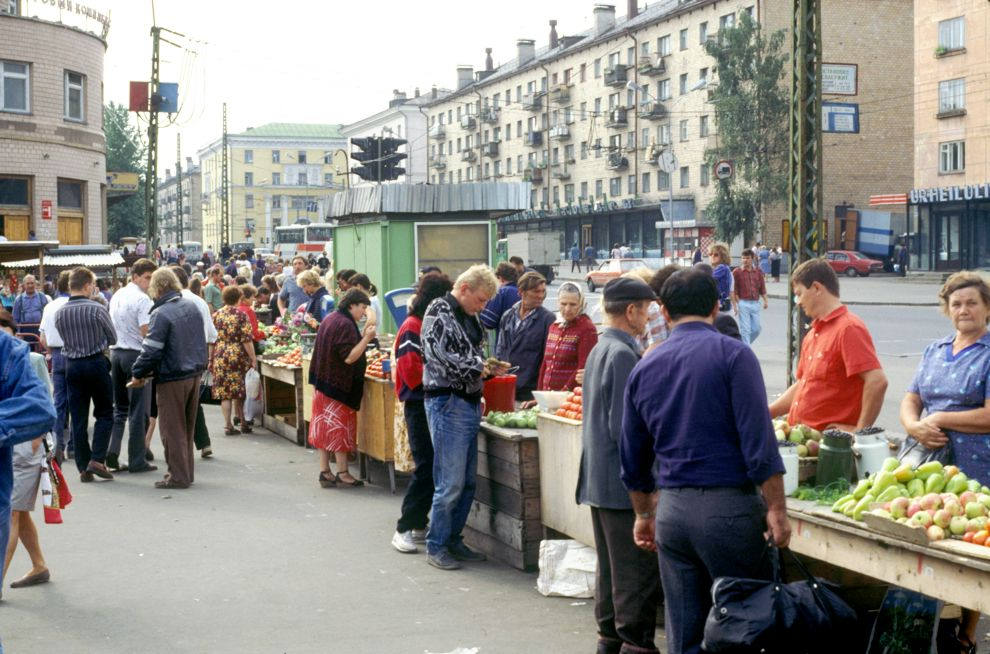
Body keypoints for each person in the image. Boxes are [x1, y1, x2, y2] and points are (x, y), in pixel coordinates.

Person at [620, 269, 791, 654]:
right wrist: (777, 509)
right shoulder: (735, 355)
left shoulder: (645, 365)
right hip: (729, 512)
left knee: (684, 631)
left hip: (673, 513)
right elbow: (760, 443)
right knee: (744, 626)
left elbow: (632, 456)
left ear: (663, 312)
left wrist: (643, 514)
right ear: (717, 306)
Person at [900, 271, 990, 653]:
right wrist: (912, 424)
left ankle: (964, 634)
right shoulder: (934, 350)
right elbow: (912, 397)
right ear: (946, 310)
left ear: (987, 308)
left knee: (968, 550)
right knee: (924, 539)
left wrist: (939, 419)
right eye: (956, 304)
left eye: (972, 302)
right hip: (927, 466)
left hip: (974, 468)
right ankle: (917, 626)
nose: (964, 310)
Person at [576, 277, 662, 654]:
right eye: (645, 310)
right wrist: (647, 488)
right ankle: (634, 644)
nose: (648, 318)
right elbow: (625, 431)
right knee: (633, 574)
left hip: (599, 480)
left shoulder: (600, 348)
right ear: (631, 311)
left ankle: (610, 640)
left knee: (611, 571)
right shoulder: (624, 354)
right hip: (620, 484)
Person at [421, 264, 507, 570]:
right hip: (448, 402)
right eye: (481, 300)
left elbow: (470, 355)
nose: (482, 307)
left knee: (467, 482)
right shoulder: (439, 310)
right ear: (465, 288)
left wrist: (487, 366)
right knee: (450, 482)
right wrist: (478, 367)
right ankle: (437, 544)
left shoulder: (467, 315)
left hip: (467, 402)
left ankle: (453, 539)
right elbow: (440, 356)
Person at [769, 258, 888, 432]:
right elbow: (803, 384)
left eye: (799, 293)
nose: (798, 301)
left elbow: (877, 381)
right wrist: (768, 412)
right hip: (805, 439)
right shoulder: (813, 333)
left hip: (830, 447)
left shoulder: (848, 328)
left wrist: (860, 432)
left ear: (817, 288)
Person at [391, 273, 454, 553]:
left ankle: (418, 523)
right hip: (419, 402)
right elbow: (410, 368)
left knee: (431, 466)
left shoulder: (421, 324)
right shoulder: (412, 327)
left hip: (428, 399)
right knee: (426, 466)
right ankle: (404, 527)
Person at [130, 268, 207, 489]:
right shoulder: (191, 306)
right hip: (193, 373)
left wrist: (137, 372)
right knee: (187, 427)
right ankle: (186, 473)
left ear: (158, 287)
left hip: (172, 376)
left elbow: (151, 350)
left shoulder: (161, 313)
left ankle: (178, 477)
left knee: (172, 430)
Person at [0, 316, 56, 594]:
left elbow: (43, 404)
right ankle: (39, 564)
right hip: (15, 447)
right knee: (18, 515)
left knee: (13, 514)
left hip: (25, 450)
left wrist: (36, 440)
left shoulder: (22, 357)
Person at [308, 289, 376, 488]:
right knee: (339, 429)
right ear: (352, 305)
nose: (364, 312)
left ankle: (325, 471)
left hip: (323, 384)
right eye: (362, 307)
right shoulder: (345, 324)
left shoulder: (330, 319)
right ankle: (343, 472)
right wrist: (366, 339)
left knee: (323, 429)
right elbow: (349, 357)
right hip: (337, 387)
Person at [55, 267, 117, 482]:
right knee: (105, 412)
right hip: (96, 362)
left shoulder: (60, 312)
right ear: (88, 285)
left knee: (78, 417)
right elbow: (113, 337)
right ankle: (97, 459)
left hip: (71, 365)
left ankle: (83, 466)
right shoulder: (96, 309)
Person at [106, 258, 158, 473]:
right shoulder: (142, 299)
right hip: (135, 355)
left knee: (120, 409)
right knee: (138, 411)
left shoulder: (118, 294)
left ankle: (112, 453)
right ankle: (137, 460)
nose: (149, 282)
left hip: (116, 353)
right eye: (147, 278)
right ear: (136, 276)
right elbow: (146, 330)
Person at [171, 265, 216, 459]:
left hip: (178, 356)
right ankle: (203, 442)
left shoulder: (173, 301)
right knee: (194, 400)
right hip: (199, 355)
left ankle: (184, 446)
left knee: (175, 403)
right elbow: (212, 335)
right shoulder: (199, 301)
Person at [495, 272, 555, 403]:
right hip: (506, 384)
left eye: (543, 291)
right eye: (536, 291)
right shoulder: (508, 316)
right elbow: (500, 348)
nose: (540, 296)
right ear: (521, 292)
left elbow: (548, 359)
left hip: (529, 390)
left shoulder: (548, 319)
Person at [211, 286, 258, 435]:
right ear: (238, 298)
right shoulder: (241, 315)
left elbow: (211, 339)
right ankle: (243, 422)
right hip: (237, 356)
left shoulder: (216, 315)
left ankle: (227, 425)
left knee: (225, 393)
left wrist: (210, 358)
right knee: (239, 391)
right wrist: (253, 358)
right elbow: (246, 340)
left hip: (220, 354)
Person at [537, 282, 598, 392]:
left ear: (581, 304)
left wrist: (563, 392)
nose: (567, 309)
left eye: (573, 304)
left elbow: (583, 366)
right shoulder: (554, 327)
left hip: (570, 400)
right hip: (548, 397)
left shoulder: (587, 329)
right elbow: (546, 363)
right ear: (557, 303)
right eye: (563, 304)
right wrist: (539, 395)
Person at [39, 271, 72, 460]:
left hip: (57, 354)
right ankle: (74, 447)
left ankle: (57, 445)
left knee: (59, 401)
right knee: (77, 400)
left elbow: (42, 338)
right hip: (76, 353)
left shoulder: (50, 306)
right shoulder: (75, 304)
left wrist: (51, 349)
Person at [731, 248, 769, 345]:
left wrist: (765, 301)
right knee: (745, 330)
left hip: (755, 303)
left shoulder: (758, 272)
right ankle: (746, 352)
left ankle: (741, 346)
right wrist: (737, 304)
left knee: (756, 329)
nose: (745, 260)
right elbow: (734, 290)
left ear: (752, 258)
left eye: (747, 258)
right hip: (743, 303)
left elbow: (762, 287)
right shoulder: (737, 272)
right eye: (743, 258)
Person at [479, 262, 520, 346]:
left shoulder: (502, 292)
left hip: (505, 346)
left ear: (500, 278)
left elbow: (488, 322)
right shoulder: (521, 291)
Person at [708, 242, 732, 312]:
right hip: (722, 302)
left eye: (716, 255)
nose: (712, 256)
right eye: (710, 254)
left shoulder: (721, 267)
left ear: (723, 256)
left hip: (720, 303)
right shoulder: (723, 267)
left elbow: (709, 280)